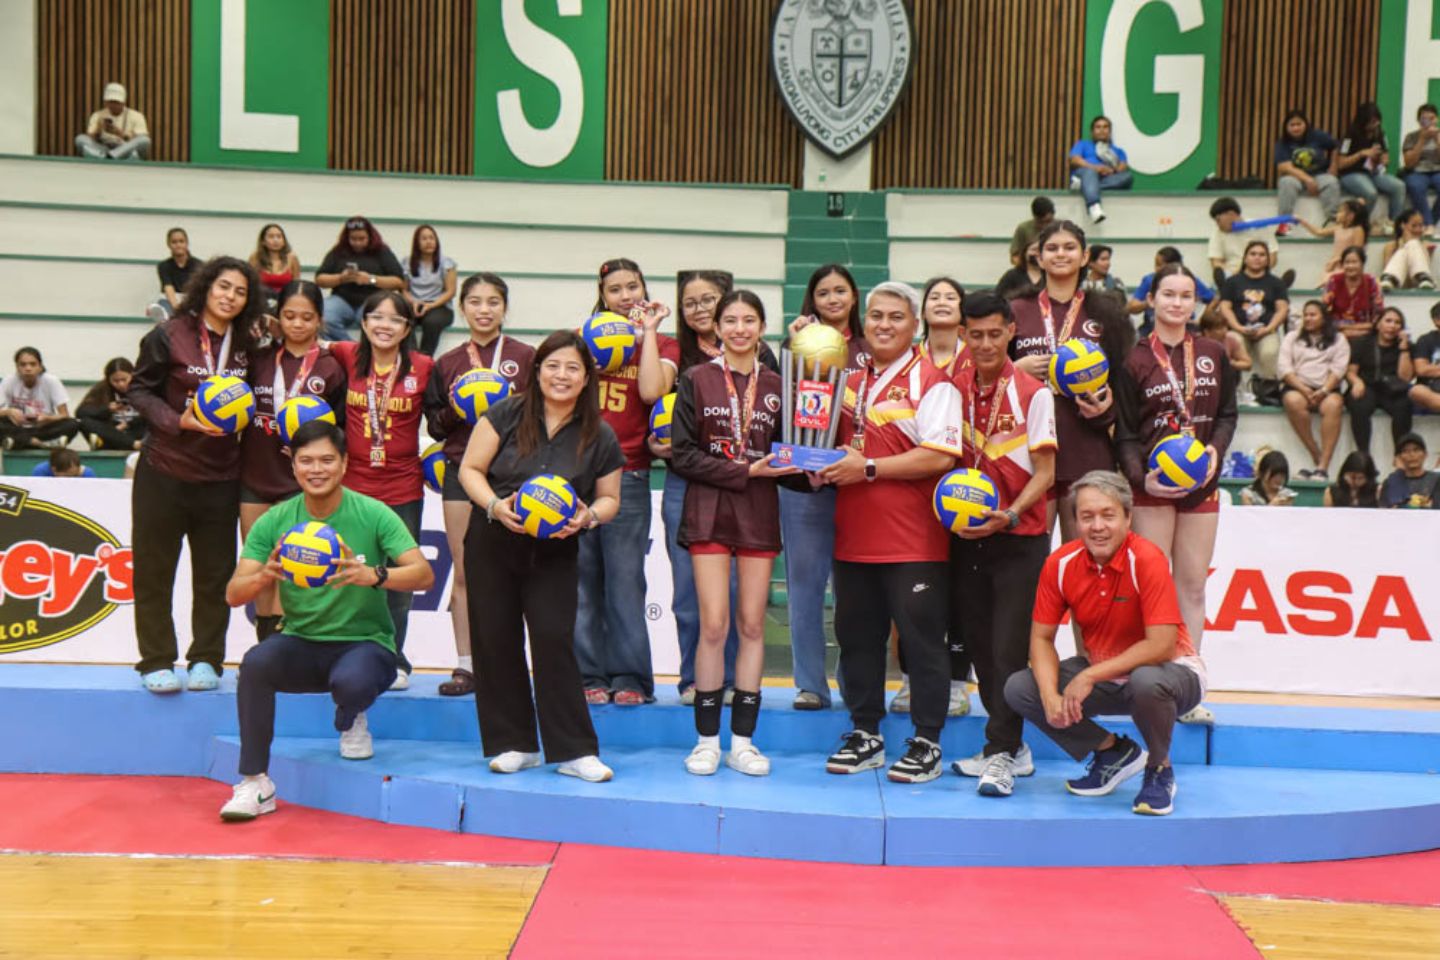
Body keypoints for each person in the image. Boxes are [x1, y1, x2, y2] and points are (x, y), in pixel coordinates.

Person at [218, 421, 434, 821]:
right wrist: (265, 576)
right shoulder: (276, 520)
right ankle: (255, 782)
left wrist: (374, 575)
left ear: (345, 463)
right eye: (306, 461)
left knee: (352, 682)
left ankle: (351, 714)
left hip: (366, 643)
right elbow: (234, 594)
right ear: (293, 466)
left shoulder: (373, 513)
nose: (316, 470)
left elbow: (423, 574)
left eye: (326, 460)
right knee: (256, 664)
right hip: (301, 640)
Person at [457, 330, 623, 784]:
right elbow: (470, 469)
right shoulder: (505, 413)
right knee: (495, 640)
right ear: (537, 371)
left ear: (586, 378)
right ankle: (515, 744)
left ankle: (575, 751)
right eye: (553, 365)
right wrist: (495, 505)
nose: (561, 375)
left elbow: (610, 499)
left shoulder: (599, 433)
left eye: (572, 368)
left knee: (553, 639)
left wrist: (588, 516)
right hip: (493, 538)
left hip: (555, 549)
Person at [818, 281, 962, 784]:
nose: (884, 325)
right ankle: (866, 733)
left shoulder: (934, 382)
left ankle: (927, 742)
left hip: (914, 541)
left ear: (915, 325)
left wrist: (869, 468)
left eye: (896, 317)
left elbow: (940, 456)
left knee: (921, 644)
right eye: (876, 316)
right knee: (857, 640)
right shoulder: (847, 381)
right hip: (853, 537)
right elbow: (828, 444)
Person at [1003, 470, 1206, 816]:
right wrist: (1050, 695)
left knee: (1145, 680)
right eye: (1087, 517)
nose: (1097, 526)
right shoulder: (1060, 563)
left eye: (1108, 515)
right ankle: (1111, 752)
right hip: (1107, 676)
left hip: (1173, 671)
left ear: (1128, 517)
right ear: (1076, 521)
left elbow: (1161, 645)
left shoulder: (1147, 558)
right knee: (1021, 688)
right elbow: (1041, 637)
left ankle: (1159, 769)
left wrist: (1089, 675)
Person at [671, 290, 804, 777]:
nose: (740, 329)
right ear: (718, 327)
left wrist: (816, 463)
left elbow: (790, 451)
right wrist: (746, 471)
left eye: (749, 320)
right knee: (713, 625)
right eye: (731, 320)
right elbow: (682, 454)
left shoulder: (779, 385)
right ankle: (706, 741)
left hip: (758, 512)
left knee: (751, 626)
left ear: (762, 327)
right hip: (709, 509)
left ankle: (743, 743)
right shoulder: (696, 378)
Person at [127, 257, 260, 693]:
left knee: (214, 576)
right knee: (154, 572)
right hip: (163, 471)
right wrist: (176, 421)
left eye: (240, 291)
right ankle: (155, 660)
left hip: (221, 477)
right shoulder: (169, 334)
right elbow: (138, 390)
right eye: (223, 287)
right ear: (205, 287)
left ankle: (206, 659)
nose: (230, 297)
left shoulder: (248, 344)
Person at [945, 291, 1056, 796]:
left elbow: (1046, 473)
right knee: (980, 648)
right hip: (967, 536)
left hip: (1019, 537)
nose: (986, 344)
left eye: (995, 333)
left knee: (1009, 651)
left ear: (1012, 331)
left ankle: (1002, 754)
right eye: (976, 335)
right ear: (962, 335)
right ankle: (1010, 747)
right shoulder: (950, 389)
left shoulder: (1034, 393)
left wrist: (1009, 514)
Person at [1116, 263, 1237, 724]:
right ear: (1151, 299)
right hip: (1153, 485)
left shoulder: (1213, 352)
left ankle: (1189, 690)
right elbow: (1126, 433)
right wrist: (1141, 478)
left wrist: (1214, 452)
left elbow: (1227, 414)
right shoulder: (1134, 359)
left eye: (1186, 295)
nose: (1177, 303)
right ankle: (1145, 684)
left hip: (1201, 483)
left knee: (1192, 585)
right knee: (1151, 587)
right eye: (1168, 294)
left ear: (1196, 302)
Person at [424, 273, 534, 697]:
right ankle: (467, 665)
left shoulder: (526, 357)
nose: (484, 310)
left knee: (515, 570)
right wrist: (460, 405)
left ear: (505, 308)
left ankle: (510, 663)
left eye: (493, 302)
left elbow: (543, 414)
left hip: (513, 473)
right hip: (460, 471)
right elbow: (435, 427)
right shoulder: (448, 363)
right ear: (462, 307)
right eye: (475, 301)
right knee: (465, 568)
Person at [576, 258, 677, 705]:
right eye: (614, 289)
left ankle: (631, 678)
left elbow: (652, 392)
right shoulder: (582, 340)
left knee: (625, 581)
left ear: (644, 289)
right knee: (580, 583)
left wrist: (647, 333)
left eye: (632, 287)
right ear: (602, 296)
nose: (625, 296)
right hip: (577, 475)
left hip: (629, 472)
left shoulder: (665, 343)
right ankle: (587, 677)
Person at [329, 291, 436, 688]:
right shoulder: (346, 354)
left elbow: (442, 415)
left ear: (407, 328)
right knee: (346, 574)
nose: (384, 326)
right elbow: (304, 347)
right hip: (353, 488)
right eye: (376, 317)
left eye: (395, 320)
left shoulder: (424, 366)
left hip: (403, 488)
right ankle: (345, 653)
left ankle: (393, 658)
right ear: (363, 322)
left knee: (399, 582)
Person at [659, 270, 752, 705]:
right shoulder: (674, 354)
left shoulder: (757, 354)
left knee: (733, 588)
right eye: (689, 302)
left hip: (741, 483)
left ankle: (731, 678)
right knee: (687, 589)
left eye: (708, 299)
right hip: (687, 480)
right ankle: (692, 678)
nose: (699, 308)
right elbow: (650, 401)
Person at [780, 264, 870, 710]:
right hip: (805, 484)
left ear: (854, 297)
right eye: (823, 293)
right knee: (804, 588)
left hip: (860, 485)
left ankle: (855, 684)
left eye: (840, 291)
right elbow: (787, 411)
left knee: (854, 593)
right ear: (811, 300)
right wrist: (806, 462)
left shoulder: (872, 349)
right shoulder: (794, 346)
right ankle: (811, 685)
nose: (832, 299)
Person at [1011, 220, 1134, 543]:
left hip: (1086, 449)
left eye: (1069, 247)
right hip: (1028, 451)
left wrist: (1106, 412)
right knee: (1030, 557)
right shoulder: (1017, 310)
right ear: (1039, 257)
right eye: (1052, 248)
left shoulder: (1107, 311)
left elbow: (1125, 384)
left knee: (1083, 555)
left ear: (1085, 256)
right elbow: (988, 375)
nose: (1060, 254)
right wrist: (1015, 369)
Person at [240, 281, 347, 643]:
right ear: (278, 318)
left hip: (301, 480)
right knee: (260, 564)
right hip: (256, 474)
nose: (297, 324)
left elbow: (340, 429)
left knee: (293, 565)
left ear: (319, 320)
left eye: (306, 317)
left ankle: (286, 646)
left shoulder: (332, 367)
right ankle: (263, 646)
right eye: (289, 316)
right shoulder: (259, 360)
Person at [1278, 301, 1350, 480]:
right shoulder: (1292, 337)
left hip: (1327, 389)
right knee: (1293, 401)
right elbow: (1284, 368)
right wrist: (1304, 389)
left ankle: (1323, 466)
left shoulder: (1339, 339)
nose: (1308, 319)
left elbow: (1339, 369)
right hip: (1298, 387)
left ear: (1324, 318)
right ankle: (1316, 455)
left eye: (1313, 315)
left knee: (1334, 405)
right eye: (1306, 315)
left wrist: (1324, 390)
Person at [315, 217, 406, 341]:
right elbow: (320, 279)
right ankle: (350, 347)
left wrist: (371, 279)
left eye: (362, 239)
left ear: (370, 237)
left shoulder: (381, 251)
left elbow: (398, 281)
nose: (357, 243)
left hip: (372, 299)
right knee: (325, 317)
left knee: (374, 319)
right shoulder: (338, 251)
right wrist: (341, 278)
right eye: (353, 239)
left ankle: (363, 348)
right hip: (341, 299)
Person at [1345, 306, 1414, 456]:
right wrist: (1356, 382)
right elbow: (1350, 372)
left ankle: (1401, 455)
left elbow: (1406, 378)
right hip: (1366, 385)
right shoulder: (1361, 343)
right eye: (1388, 321)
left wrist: (1404, 349)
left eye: (1397, 322)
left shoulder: (1406, 347)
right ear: (1378, 324)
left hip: (1392, 389)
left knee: (1404, 404)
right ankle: (1364, 455)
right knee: (1359, 404)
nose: (1392, 326)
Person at [1219, 240, 1291, 380]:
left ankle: (1269, 388)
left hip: (1267, 331)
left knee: (1270, 352)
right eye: (1253, 254)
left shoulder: (1277, 283)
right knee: (1233, 343)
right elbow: (1225, 308)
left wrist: (1268, 329)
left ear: (1267, 260)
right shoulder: (1232, 282)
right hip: (1237, 330)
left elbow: (1282, 309)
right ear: (1245, 258)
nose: (1257, 258)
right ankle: (1233, 387)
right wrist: (1238, 327)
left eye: (1262, 255)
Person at [1338, 102, 1407, 229]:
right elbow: (1341, 163)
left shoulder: (1380, 133)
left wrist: (1383, 160)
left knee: (1399, 186)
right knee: (1370, 193)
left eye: (1377, 121)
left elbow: (1386, 156)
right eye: (1371, 122)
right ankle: (1360, 225)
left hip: (1373, 172)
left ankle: (1394, 224)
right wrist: (1361, 154)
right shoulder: (1350, 135)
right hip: (1351, 173)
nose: (1375, 125)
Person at [0, 347, 79, 450]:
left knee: (73, 424)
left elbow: (64, 415)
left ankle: (19, 442)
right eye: (23, 365)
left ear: (40, 367)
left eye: (33, 364)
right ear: (17, 367)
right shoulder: (8, 381)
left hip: (42, 428)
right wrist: (8, 412)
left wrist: (48, 418)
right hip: (17, 428)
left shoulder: (51, 381)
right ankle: (35, 442)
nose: (28, 368)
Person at [1128, 247, 1217, 334]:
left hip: (1185, 328)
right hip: (1151, 328)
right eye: (1168, 294)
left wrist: (1201, 320)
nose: (1156, 269)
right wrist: (1151, 302)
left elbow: (1213, 299)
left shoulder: (1189, 280)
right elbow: (1131, 307)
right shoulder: (1150, 280)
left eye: (1185, 296)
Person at [1275, 109, 1342, 222]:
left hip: (1319, 175)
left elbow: (1335, 146)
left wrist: (1333, 166)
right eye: (1292, 125)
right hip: (1294, 177)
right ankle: (1284, 222)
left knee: (1331, 182)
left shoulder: (1318, 136)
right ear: (1286, 127)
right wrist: (1308, 180)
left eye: (1299, 124)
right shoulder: (1283, 143)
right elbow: (1283, 167)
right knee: (1286, 183)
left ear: (1305, 124)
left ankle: (1332, 220)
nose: (1296, 128)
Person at [404, 225, 458, 356]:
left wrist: (431, 305)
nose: (429, 242)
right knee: (403, 317)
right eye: (424, 239)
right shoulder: (407, 262)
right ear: (416, 243)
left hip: (439, 305)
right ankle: (412, 357)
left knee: (432, 322)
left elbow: (451, 291)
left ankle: (425, 359)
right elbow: (403, 290)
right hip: (415, 303)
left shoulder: (447, 263)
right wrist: (413, 302)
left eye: (432, 238)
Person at [1069, 115, 1132, 222]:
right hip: (1086, 173)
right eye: (1098, 127)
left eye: (1105, 127)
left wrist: (1112, 171)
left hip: (1107, 178)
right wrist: (1095, 168)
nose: (1102, 130)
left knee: (1127, 177)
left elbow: (1123, 166)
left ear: (1110, 131)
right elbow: (1075, 160)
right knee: (1090, 173)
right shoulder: (1083, 144)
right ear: (1092, 131)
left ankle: (1084, 186)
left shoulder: (1118, 151)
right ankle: (1094, 206)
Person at [1207, 197, 1280, 287]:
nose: (1217, 224)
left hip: (1260, 274)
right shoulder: (1218, 233)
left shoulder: (1259, 227)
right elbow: (1216, 262)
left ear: (1231, 214)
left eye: (1218, 220)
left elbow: (1272, 258)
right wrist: (1233, 275)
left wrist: (1253, 272)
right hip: (1232, 276)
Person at [77, 357, 146, 451]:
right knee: (85, 423)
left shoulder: (143, 388)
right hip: (112, 433)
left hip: (136, 431)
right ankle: (132, 444)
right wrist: (107, 409)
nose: (121, 384)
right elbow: (81, 412)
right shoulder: (102, 389)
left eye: (124, 379)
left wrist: (128, 424)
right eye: (116, 381)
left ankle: (131, 443)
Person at [1296, 198, 1369, 280]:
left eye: (1341, 212)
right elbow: (1318, 232)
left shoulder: (1358, 230)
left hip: (1348, 267)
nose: (1337, 214)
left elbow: (1357, 252)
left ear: (1351, 216)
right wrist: (1302, 221)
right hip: (1334, 265)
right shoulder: (1338, 228)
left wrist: (1337, 260)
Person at [74, 82, 150, 161]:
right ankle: (106, 156)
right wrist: (99, 130)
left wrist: (120, 133)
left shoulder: (137, 116)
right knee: (80, 139)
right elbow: (90, 138)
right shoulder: (98, 115)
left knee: (145, 140)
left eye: (116, 102)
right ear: (106, 102)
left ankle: (110, 156)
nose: (113, 105)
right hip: (103, 148)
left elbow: (141, 139)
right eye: (111, 102)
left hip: (125, 149)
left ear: (123, 102)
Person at [1323, 246, 1384, 340]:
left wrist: (1354, 330)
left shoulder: (1371, 281)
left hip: (1365, 333)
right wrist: (1342, 330)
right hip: (1337, 332)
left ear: (1362, 264)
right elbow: (1323, 310)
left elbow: (1379, 315)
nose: (1350, 266)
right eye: (1347, 262)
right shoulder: (1334, 281)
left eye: (1354, 262)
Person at [147, 227, 201, 324]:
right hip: (170, 300)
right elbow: (168, 288)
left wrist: (185, 307)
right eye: (174, 242)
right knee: (166, 314)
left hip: (190, 299)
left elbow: (197, 290)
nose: (178, 245)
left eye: (181, 241)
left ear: (187, 243)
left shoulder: (199, 265)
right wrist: (177, 308)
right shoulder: (164, 266)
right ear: (168, 244)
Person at [1402, 103, 1440, 228]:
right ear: (1419, 121)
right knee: (1415, 186)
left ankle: (1431, 222)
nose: (1429, 122)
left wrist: (1437, 139)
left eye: (1432, 118)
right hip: (1417, 171)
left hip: (1437, 170)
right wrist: (1422, 140)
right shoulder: (1411, 137)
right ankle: (1428, 223)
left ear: (1437, 119)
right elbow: (1409, 163)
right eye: (1425, 119)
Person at [1378, 209, 1437, 290]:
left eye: (1420, 226)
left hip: (1418, 285)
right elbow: (1387, 268)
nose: (1418, 229)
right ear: (1403, 225)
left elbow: (1424, 266)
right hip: (1396, 285)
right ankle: (1392, 278)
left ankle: (1423, 277)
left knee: (1413, 243)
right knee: (1411, 244)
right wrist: (1406, 243)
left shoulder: (1426, 246)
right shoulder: (1391, 246)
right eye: (1414, 226)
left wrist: (1411, 242)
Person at [249, 224, 301, 313]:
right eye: (271, 237)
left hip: (285, 303)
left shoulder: (292, 258)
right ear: (263, 241)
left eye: (279, 236)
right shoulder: (255, 258)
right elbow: (251, 284)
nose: (275, 240)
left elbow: (297, 285)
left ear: (284, 240)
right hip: (262, 303)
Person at [1379, 433, 1440, 508]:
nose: (1411, 454)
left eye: (1416, 450)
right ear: (1398, 457)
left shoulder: (1436, 480)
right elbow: (1386, 510)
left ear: (1425, 454)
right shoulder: (1390, 483)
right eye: (1405, 451)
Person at [1407, 301, 1440, 413]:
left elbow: (1428, 369)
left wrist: (1433, 369)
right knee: (1417, 391)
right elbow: (1422, 370)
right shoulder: (1425, 340)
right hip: (1431, 389)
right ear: (1437, 321)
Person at [1198, 309, 1251, 378]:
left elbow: (1247, 364)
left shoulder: (1230, 340)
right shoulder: (1196, 342)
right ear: (1207, 332)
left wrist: (1231, 363)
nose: (1224, 331)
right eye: (1219, 329)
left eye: (1225, 327)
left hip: (1225, 377)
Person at [1009, 197, 1055, 267]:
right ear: (1034, 217)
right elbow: (1014, 257)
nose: (1045, 226)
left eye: (1048, 221)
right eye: (1040, 222)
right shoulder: (1024, 229)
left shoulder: (1061, 228)